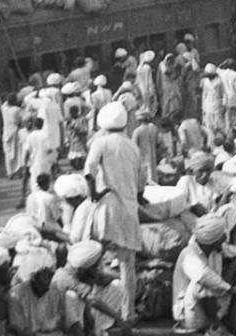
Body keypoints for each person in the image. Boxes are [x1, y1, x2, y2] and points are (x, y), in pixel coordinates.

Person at [82, 102, 144, 320]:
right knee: (128, 265)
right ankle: (128, 313)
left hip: (107, 208)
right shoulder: (132, 146)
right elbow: (141, 186)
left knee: (94, 258)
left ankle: (91, 310)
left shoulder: (101, 143)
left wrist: (93, 194)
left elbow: (88, 171)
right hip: (129, 210)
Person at [173, 217, 236, 336]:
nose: (225, 238)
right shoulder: (189, 254)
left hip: (213, 304)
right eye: (222, 236)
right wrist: (230, 288)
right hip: (191, 314)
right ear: (212, 241)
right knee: (201, 285)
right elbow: (204, 275)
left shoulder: (217, 248)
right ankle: (215, 327)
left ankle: (231, 319)